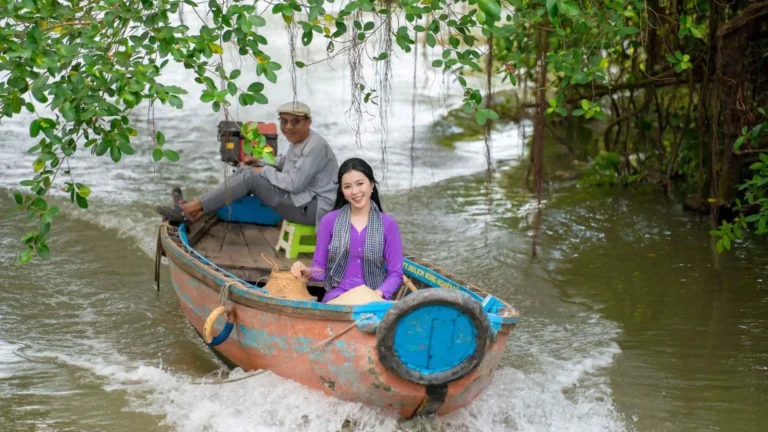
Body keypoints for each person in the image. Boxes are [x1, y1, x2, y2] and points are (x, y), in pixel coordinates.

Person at [156, 101, 338, 227]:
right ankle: (196, 210)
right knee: (247, 170)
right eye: (284, 121)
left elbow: (294, 184)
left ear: (309, 122)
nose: (288, 127)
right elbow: (285, 162)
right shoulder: (300, 139)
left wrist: (263, 170)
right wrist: (258, 161)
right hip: (300, 200)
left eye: (295, 121)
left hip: (310, 208)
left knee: (251, 177)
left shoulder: (316, 146)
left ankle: (189, 209)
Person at [290, 158, 404, 303]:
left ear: (372, 185)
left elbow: (395, 274)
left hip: (374, 298)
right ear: (342, 191)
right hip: (338, 297)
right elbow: (321, 270)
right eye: (347, 186)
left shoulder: (388, 224)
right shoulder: (329, 221)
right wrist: (306, 270)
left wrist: (377, 294)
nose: (355, 191)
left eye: (360, 184)